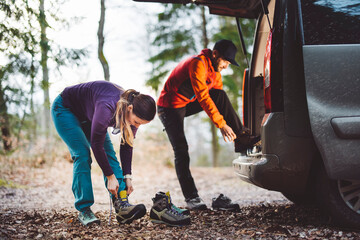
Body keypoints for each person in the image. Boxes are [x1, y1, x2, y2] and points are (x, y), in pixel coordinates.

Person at [157, 39, 259, 210]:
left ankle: (241, 137)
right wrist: (221, 124)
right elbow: (203, 98)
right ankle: (192, 198)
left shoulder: (215, 72)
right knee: (181, 150)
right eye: (225, 61)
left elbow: (216, 98)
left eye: (229, 62)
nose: (227, 66)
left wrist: (227, 124)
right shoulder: (198, 64)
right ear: (215, 54)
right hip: (169, 108)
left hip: (185, 103)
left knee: (220, 95)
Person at [51, 80, 156, 226]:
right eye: (136, 122)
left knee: (109, 153)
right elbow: (96, 145)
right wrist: (110, 175)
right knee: (82, 154)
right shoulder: (107, 107)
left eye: (140, 124)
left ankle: (122, 205)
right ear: (130, 108)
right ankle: (84, 209)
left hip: (89, 115)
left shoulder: (132, 113)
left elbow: (127, 145)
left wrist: (127, 176)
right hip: (66, 109)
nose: (136, 126)